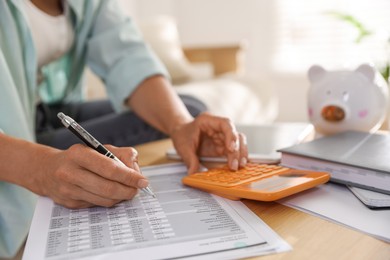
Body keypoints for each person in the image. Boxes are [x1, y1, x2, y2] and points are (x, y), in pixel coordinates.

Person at [0, 0, 248, 257]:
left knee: (189, 110)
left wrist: (181, 125)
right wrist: (39, 168)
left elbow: (127, 56)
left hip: (45, 109)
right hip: (11, 134)